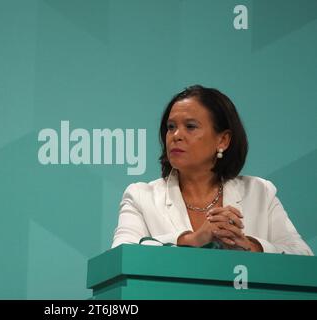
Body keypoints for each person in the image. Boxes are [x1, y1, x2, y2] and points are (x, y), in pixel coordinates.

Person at [112, 85, 313, 255]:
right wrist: (192, 240)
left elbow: (302, 255)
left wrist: (249, 246)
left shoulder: (260, 192)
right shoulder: (140, 196)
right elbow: (121, 253)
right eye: (171, 127)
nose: (176, 135)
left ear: (223, 140)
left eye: (190, 126)